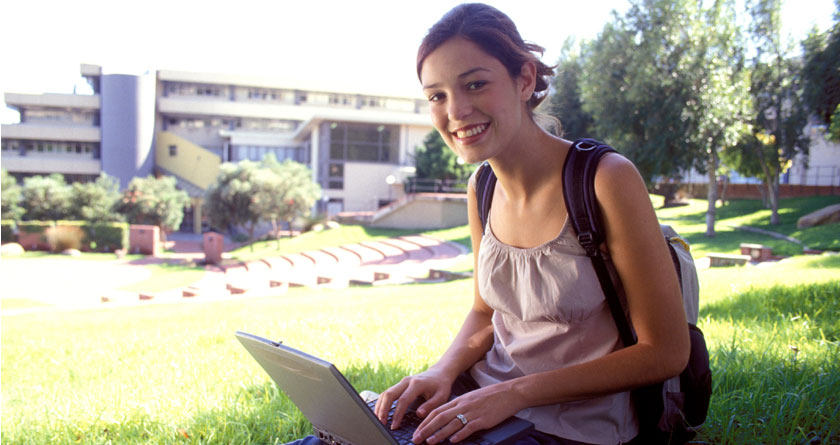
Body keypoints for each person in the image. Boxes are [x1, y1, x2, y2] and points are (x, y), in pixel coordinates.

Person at [286, 3, 689, 444]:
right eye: (437, 95)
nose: (455, 111)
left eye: (475, 84)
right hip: (482, 405)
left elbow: (665, 352)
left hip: (574, 429)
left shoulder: (606, 179)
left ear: (525, 79)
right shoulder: (483, 186)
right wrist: (441, 371)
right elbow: (484, 312)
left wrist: (514, 394)